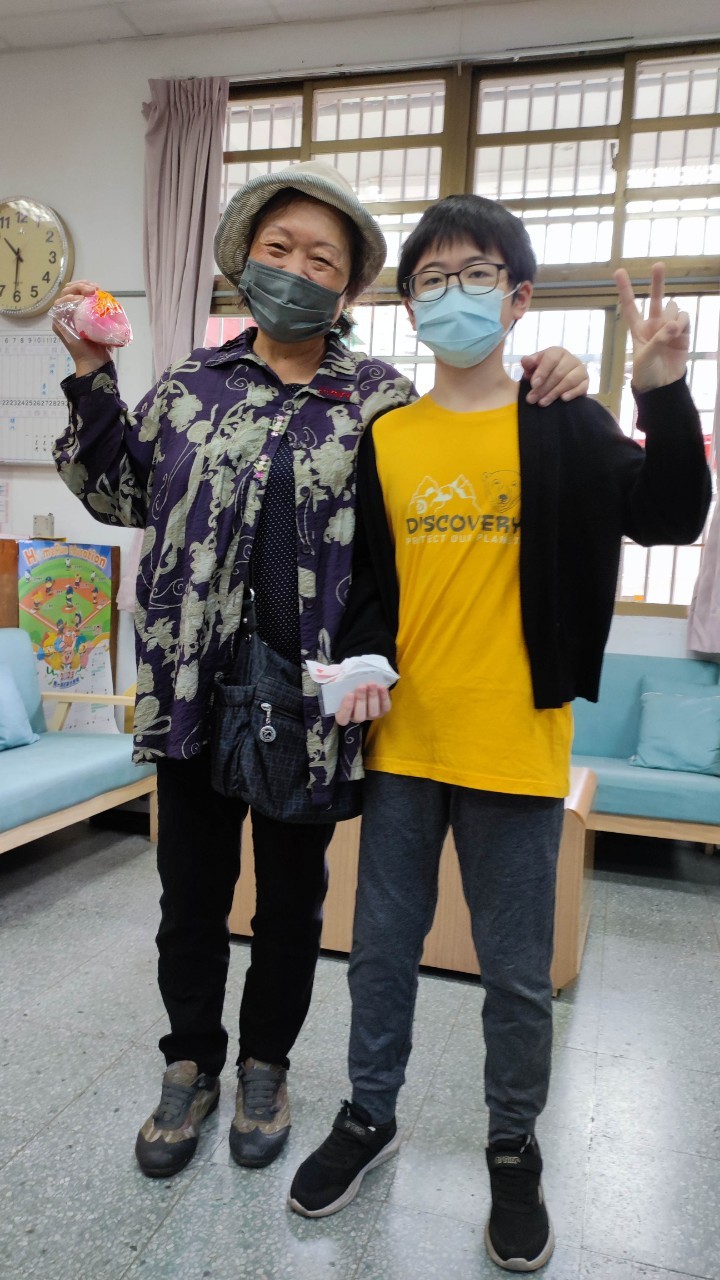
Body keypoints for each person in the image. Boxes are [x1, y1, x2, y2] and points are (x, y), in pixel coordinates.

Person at [51, 162, 589, 1181]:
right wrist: (89, 374)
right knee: (190, 898)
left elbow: (447, 481)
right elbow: (117, 491)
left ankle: (266, 1066)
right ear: (245, 260)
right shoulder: (190, 385)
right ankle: (189, 1063)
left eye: (322, 261)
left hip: (310, 702)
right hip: (193, 690)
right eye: (278, 250)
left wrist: (552, 378)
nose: (296, 271)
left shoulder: (379, 401)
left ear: (350, 289)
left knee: (292, 904)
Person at [287, 194, 711, 1272]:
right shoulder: (390, 436)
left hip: (517, 745)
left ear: (517, 298)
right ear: (409, 306)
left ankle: (513, 1148)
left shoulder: (563, 417)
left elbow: (671, 516)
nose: (453, 295)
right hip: (403, 745)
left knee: (517, 975)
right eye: (432, 279)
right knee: (381, 952)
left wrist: (662, 390)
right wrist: (358, 660)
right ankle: (369, 1114)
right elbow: (372, 586)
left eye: (476, 275)